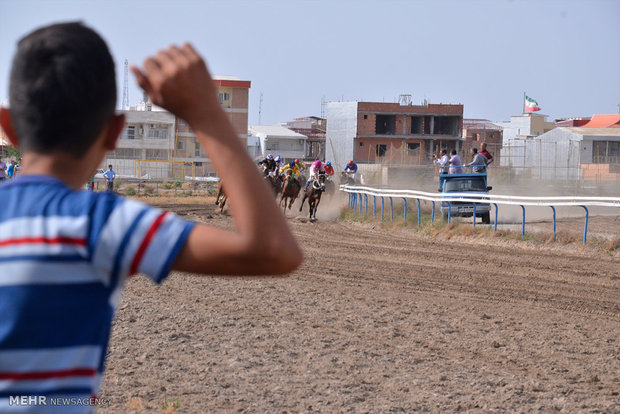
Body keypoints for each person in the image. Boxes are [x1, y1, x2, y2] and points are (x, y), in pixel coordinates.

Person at [0, 22, 302, 409]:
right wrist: (206, 114)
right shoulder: (102, 222)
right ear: (114, 133)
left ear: (8, 127)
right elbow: (274, 250)